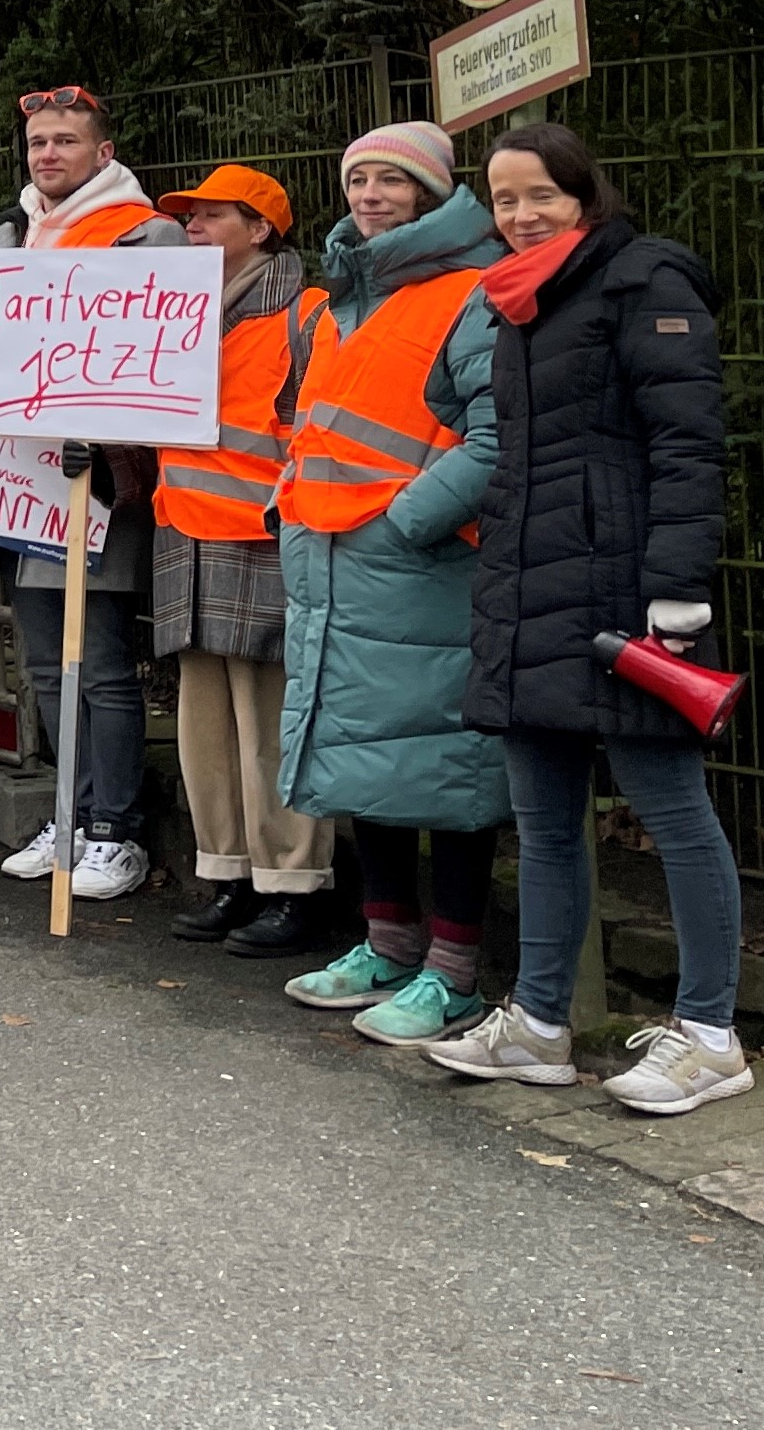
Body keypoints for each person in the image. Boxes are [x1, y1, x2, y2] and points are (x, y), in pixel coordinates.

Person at [428, 126, 745, 1112]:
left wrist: (677, 590)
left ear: (582, 194)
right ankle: (538, 1022)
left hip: (624, 598)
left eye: (540, 196)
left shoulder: (642, 282)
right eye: (504, 199)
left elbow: (688, 446)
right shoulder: (521, 300)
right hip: (534, 593)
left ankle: (708, 1032)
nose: (520, 214)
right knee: (545, 821)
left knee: (674, 812)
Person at [266, 122, 511, 1047]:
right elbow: (314, 427)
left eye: (391, 180)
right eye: (357, 177)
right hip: (337, 562)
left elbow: (497, 436)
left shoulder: (469, 295)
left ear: (431, 191)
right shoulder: (337, 304)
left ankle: (449, 975)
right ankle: (386, 944)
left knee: (443, 767)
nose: (369, 194)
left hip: (423, 566)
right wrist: (291, 504)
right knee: (366, 756)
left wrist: (406, 520)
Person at [0, 85, 183, 902]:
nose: (47, 155)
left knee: (96, 662)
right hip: (18, 481)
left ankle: (115, 831)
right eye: (36, 144)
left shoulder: (146, 236)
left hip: (97, 480)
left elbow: (167, 362)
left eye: (65, 141)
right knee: (44, 664)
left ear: (102, 154)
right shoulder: (6, 237)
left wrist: (106, 434)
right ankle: (71, 808)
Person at [145, 166, 337, 954]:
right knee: (205, 725)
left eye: (208, 218)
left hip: (263, 537)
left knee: (271, 721)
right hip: (184, 533)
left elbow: (314, 430)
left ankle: (293, 885)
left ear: (259, 230)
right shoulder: (172, 312)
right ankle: (227, 873)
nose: (189, 229)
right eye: (186, 218)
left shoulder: (304, 314)